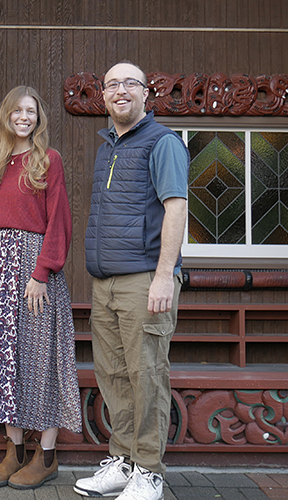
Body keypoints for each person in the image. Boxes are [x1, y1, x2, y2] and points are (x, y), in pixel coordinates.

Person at [73, 61, 188, 500]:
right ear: (103, 95)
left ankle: (150, 472)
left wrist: (164, 276)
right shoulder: (109, 146)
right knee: (115, 375)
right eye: (112, 84)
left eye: (129, 84)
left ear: (146, 94)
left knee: (147, 375)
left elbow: (176, 208)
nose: (120, 90)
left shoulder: (163, 143)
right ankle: (123, 461)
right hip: (107, 284)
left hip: (145, 280)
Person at [0, 86, 82, 490]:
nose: (24, 116)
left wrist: (41, 273)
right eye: (17, 109)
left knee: (40, 357)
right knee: (5, 359)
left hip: (35, 272)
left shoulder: (48, 160)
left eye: (30, 111)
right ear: (6, 115)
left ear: (38, 118)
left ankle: (46, 455)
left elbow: (60, 222)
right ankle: (14, 450)